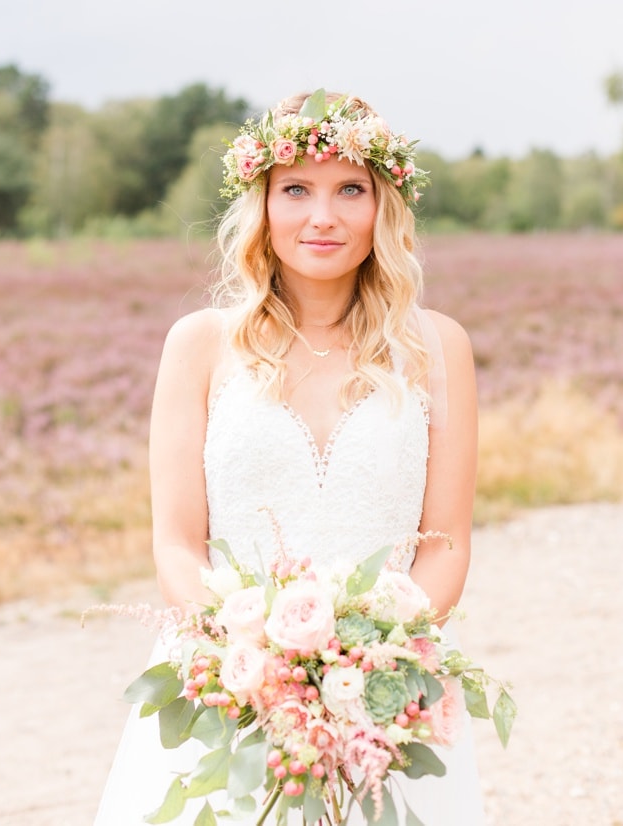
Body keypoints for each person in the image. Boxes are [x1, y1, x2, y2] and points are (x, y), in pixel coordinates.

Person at [93, 91, 485, 824]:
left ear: (385, 207)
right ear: (262, 205)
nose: (323, 216)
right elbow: (176, 543)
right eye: (296, 189)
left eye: (350, 190)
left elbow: (448, 543)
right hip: (230, 674)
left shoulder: (438, 347)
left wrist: (370, 666)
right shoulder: (199, 345)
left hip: (392, 682)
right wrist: (258, 663)